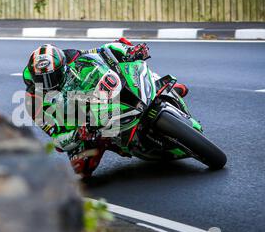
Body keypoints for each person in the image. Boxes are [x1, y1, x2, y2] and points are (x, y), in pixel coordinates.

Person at [22, 38, 188, 177]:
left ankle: (163, 88)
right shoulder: (33, 102)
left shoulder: (72, 57)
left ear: (62, 67)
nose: (49, 83)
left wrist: (130, 50)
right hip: (81, 123)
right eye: (43, 79)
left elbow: (103, 51)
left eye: (52, 76)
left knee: (127, 61)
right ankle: (115, 143)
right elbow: (56, 137)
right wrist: (77, 134)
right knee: (81, 169)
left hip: (98, 94)